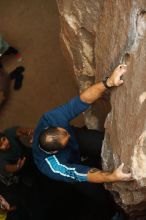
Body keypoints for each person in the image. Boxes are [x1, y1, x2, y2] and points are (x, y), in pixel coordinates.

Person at [32, 64, 132, 184]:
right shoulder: (51, 166)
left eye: (65, 132)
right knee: (97, 194)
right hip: (71, 162)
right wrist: (112, 177)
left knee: (106, 143)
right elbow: (78, 173)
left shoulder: (51, 119)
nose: (67, 135)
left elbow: (82, 100)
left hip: (77, 139)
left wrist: (109, 82)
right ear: (55, 152)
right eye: (66, 139)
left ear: (51, 127)